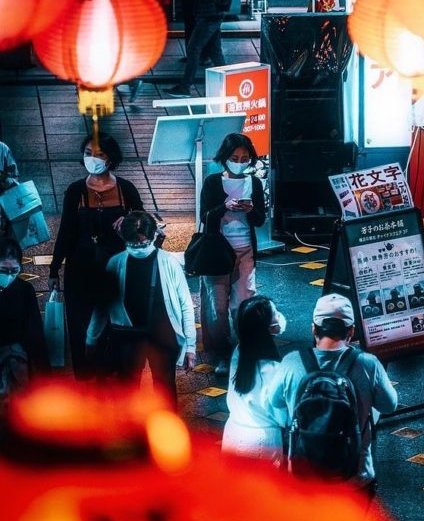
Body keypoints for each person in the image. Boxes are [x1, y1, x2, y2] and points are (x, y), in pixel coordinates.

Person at [269, 293, 398, 497]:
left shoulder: (292, 362)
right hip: (355, 477)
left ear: (314, 329)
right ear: (352, 331)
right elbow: (390, 405)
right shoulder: (368, 363)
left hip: (304, 476)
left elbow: (273, 401)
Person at [49, 134, 143, 379]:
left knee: (116, 322)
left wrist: (132, 221)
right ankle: (87, 378)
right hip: (80, 270)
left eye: (99, 154)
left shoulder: (126, 190)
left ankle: (116, 373)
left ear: (111, 158)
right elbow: (66, 232)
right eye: (88, 153)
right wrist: (54, 269)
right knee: (82, 324)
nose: (93, 158)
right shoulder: (76, 191)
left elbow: (145, 223)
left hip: (117, 269)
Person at [86, 211, 196, 406]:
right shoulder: (115, 263)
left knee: (164, 389)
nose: (138, 248)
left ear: (155, 236)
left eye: (143, 244)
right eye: (133, 244)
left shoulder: (170, 262)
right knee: (128, 390)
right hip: (128, 337)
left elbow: (186, 305)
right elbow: (102, 306)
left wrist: (191, 347)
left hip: (163, 336)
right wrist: (91, 338)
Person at [198, 134, 266, 376]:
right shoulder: (213, 182)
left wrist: (250, 210)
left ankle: (244, 349)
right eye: (235, 158)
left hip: (245, 249)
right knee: (217, 307)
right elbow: (205, 216)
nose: (239, 162)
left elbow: (260, 220)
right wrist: (224, 207)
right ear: (225, 158)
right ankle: (222, 354)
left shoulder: (254, 184)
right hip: (217, 251)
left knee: (244, 303)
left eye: (244, 158)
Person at [222, 295, 287, 461]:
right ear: (268, 328)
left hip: (233, 433)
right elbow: (280, 414)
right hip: (263, 441)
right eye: (275, 314)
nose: (279, 316)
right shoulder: (272, 368)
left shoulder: (240, 351)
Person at [0, 236, 49, 398]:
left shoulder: (25, 290)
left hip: (16, 353)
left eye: (13, 271)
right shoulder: (23, 289)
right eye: (3, 271)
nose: (8, 276)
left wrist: (43, 370)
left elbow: (34, 331)